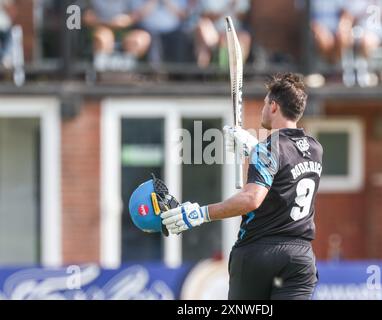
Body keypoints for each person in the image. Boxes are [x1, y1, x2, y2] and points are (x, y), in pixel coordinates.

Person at [161, 73, 323, 300]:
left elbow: (251, 199)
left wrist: (200, 213)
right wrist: (255, 149)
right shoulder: (315, 148)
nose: (263, 109)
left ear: (274, 107)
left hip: (259, 254)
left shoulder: (270, 148)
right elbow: (285, 173)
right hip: (300, 257)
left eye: (266, 103)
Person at [83, 0, 151, 70]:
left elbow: (137, 14)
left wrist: (127, 20)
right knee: (104, 37)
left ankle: (127, 72)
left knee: (141, 39)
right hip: (101, 30)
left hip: (125, 33)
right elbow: (87, 18)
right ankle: (103, 73)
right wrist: (109, 24)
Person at [195, 0, 251, 68]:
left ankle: (239, 72)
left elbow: (244, 16)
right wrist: (227, 7)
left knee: (245, 38)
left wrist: (235, 6)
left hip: (236, 33)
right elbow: (206, 16)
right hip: (214, 33)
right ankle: (204, 73)